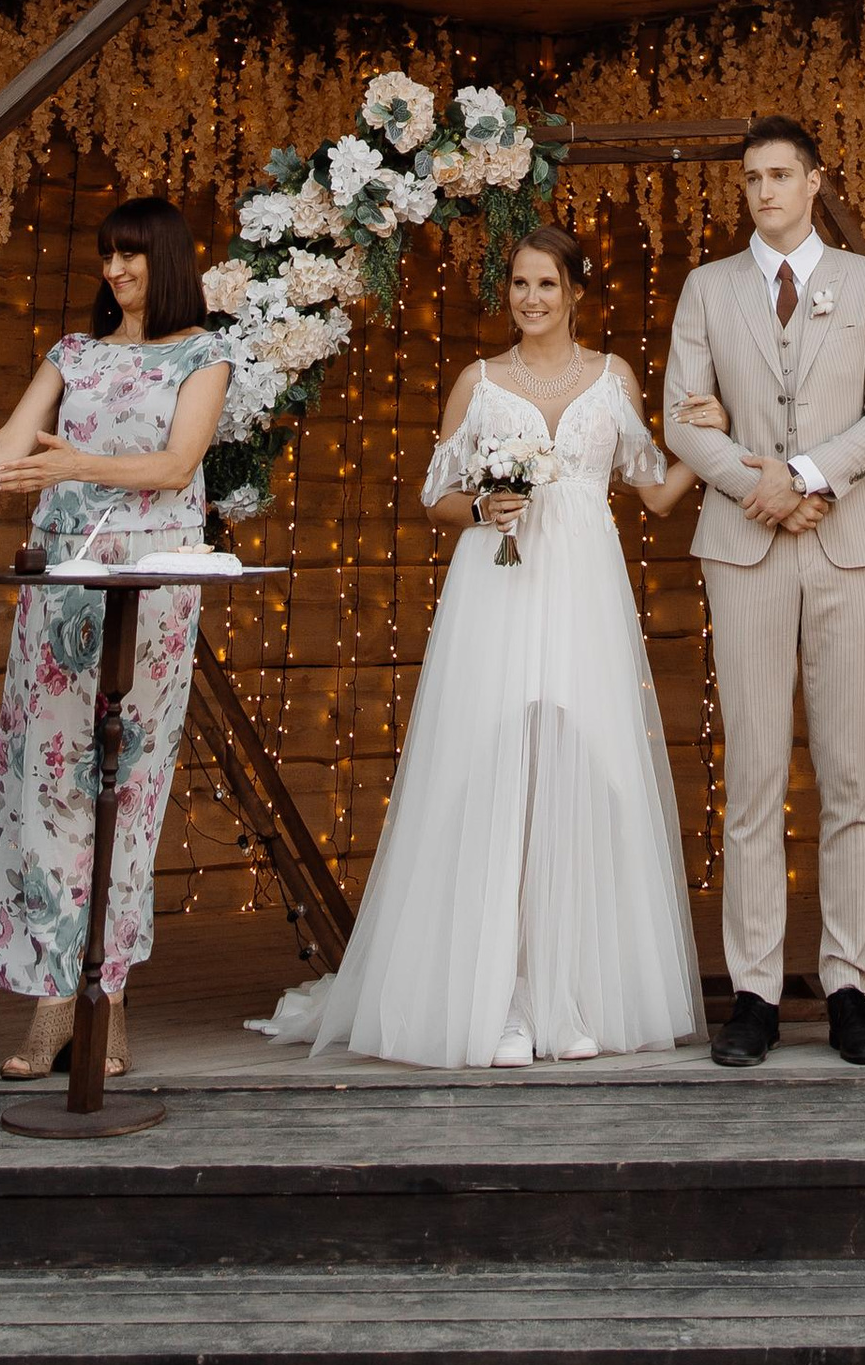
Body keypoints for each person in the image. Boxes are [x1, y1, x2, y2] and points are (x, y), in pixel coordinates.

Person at [269, 224, 706, 1069]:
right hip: (498, 595)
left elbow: (653, 492)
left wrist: (716, 443)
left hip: (583, 596)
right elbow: (437, 497)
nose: (532, 299)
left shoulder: (613, 378)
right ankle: (495, 999)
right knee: (489, 773)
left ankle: (562, 993)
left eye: (547, 284)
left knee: (583, 778)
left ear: (576, 291)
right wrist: (480, 511)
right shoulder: (478, 381)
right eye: (519, 285)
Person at [0, 196, 229, 1081]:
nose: (114, 271)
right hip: (60, 582)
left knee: (128, 784)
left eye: (131, 256)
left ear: (167, 261)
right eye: (106, 256)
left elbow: (176, 466)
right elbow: (8, 442)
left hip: (153, 588)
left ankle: (107, 995)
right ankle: (51, 1002)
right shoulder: (72, 355)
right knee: (50, 782)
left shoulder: (204, 355)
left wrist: (76, 463)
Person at [663, 116, 865, 1069]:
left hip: (848, 544)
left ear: (815, 181)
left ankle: (851, 986)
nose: (763, 192)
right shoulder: (707, 288)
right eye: (750, 179)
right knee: (755, 777)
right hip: (745, 547)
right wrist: (756, 485)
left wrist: (807, 474)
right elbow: (685, 417)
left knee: (850, 774)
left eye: (779, 175)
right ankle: (756, 994)